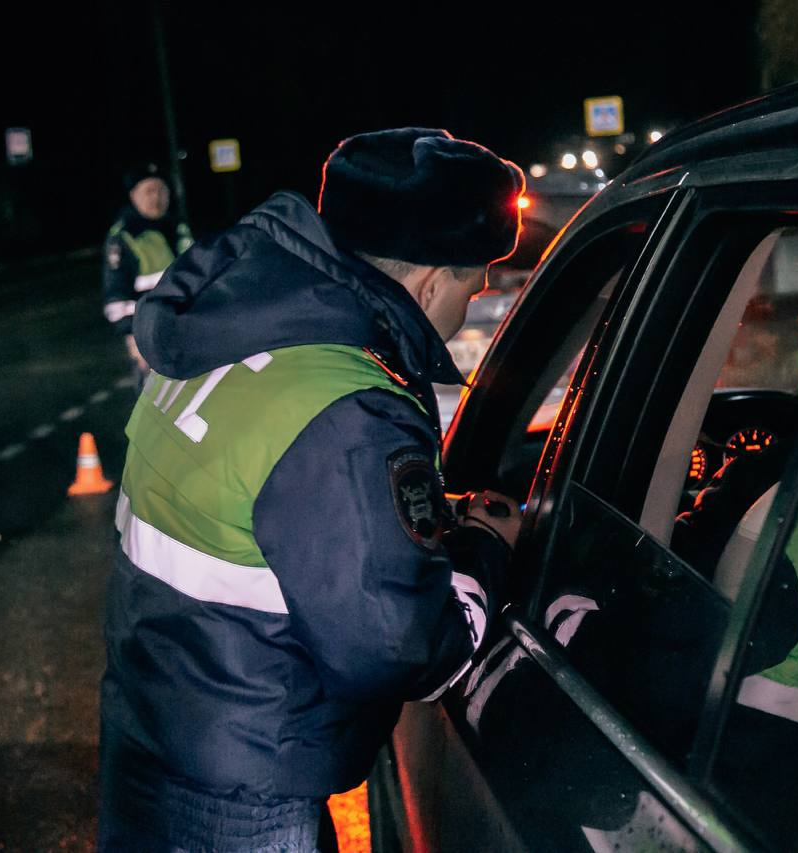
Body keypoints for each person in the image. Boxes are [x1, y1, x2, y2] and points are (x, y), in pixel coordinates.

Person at [98, 128, 526, 852]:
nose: (470, 303)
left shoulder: (232, 333)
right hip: (245, 783)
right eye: (473, 285)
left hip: (156, 724)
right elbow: (397, 647)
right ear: (430, 282)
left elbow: (268, 512)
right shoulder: (350, 409)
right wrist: (486, 549)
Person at [102, 162, 195, 388]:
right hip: (152, 337)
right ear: (133, 195)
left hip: (188, 329)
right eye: (149, 191)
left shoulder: (178, 227)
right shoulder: (124, 238)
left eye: (162, 190)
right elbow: (116, 299)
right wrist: (136, 340)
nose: (157, 197)